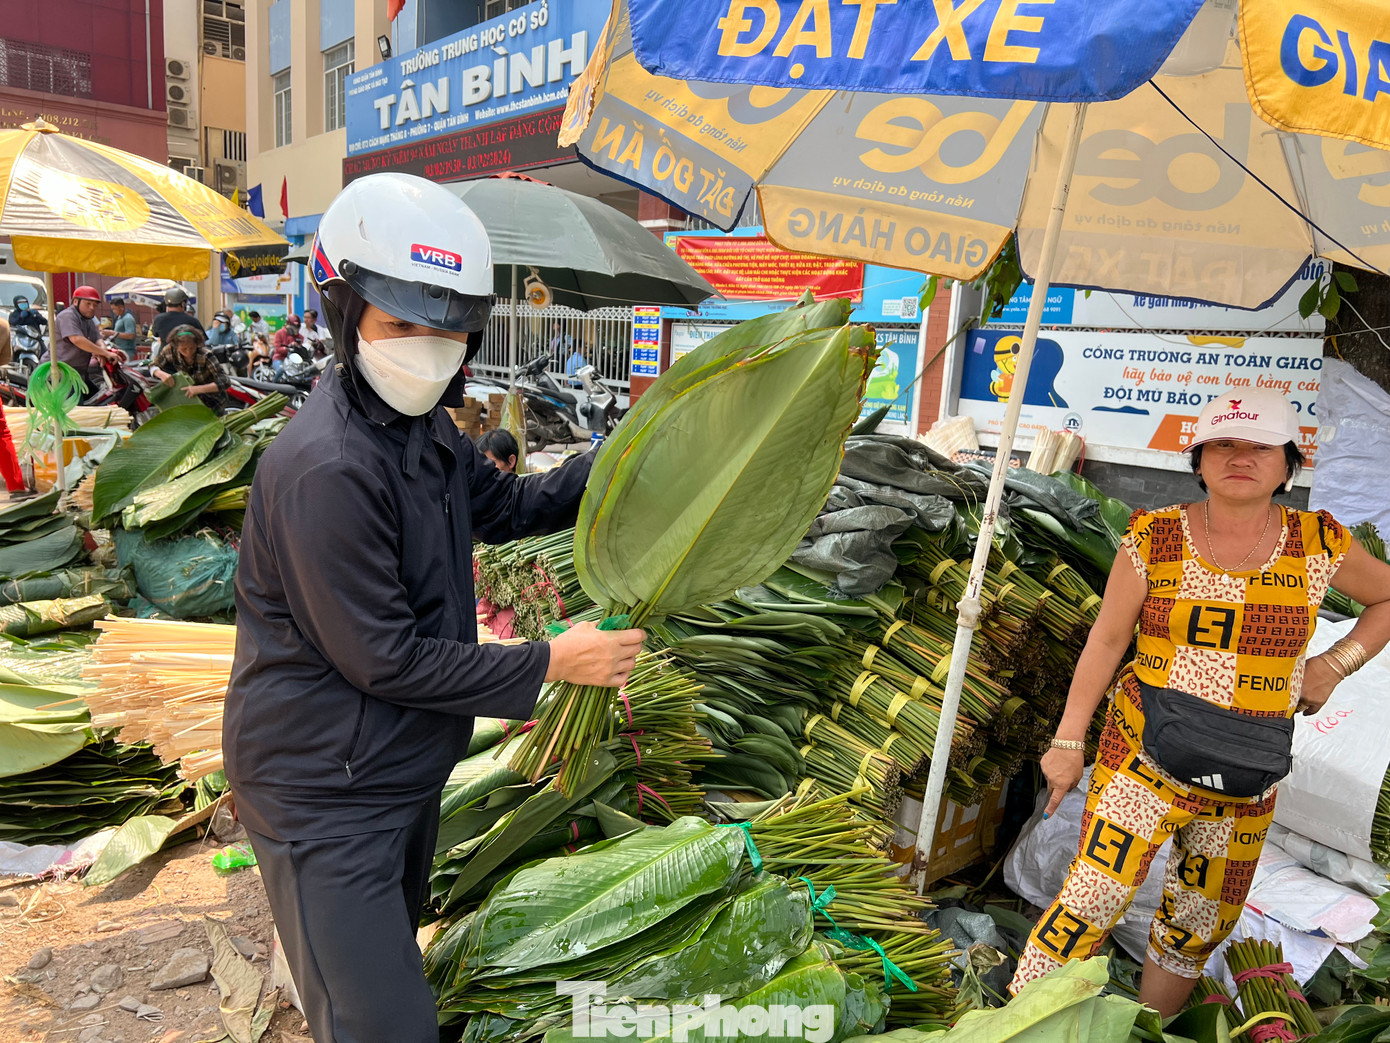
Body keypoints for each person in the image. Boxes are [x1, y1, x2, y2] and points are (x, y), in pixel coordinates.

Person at [222, 172, 642, 1043]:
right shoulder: (328, 469)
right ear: (348, 318)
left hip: (395, 768)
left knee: (379, 983)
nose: (424, 346)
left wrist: (619, 457)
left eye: (446, 328)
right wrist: (551, 661)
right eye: (399, 324)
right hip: (322, 792)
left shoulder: (424, 433)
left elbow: (511, 508)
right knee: (383, 1024)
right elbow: (386, 656)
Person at [1010, 388, 1390, 1015]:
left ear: (1288, 463)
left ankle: (1157, 1027)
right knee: (1091, 898)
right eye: (1223, 445)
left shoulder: (1318, 541)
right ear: (1199, 460)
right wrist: (1068, 740)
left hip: (1246, 772)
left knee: (1198, 920)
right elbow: (1107, 641)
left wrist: (1334, 665)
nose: (1240, 458)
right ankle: (1017, 1026)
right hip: (1143, 756)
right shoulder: (1155, 535)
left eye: (1259, 447)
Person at [51, 286, 120, 396]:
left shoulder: (88, 320)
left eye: (95, 305)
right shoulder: (67, 316)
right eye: (88, 304)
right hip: (61, 374)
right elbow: (77, 339)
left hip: (78, 373)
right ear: (75, 302)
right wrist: (105, 353)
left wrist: (102, 352)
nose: (92, 308)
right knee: (77, 409)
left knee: (98, 399)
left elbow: (97, 338)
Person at [151, 324, 231, 414]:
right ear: (176, 346)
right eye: (184, 349)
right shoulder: (169, 350)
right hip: (189, 402)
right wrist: (160, 374)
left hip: (212, 402)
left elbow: (225, 381)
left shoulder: (205, 355)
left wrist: (198, 389)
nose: (188, 352)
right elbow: (153, 365)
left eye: (192, 348)